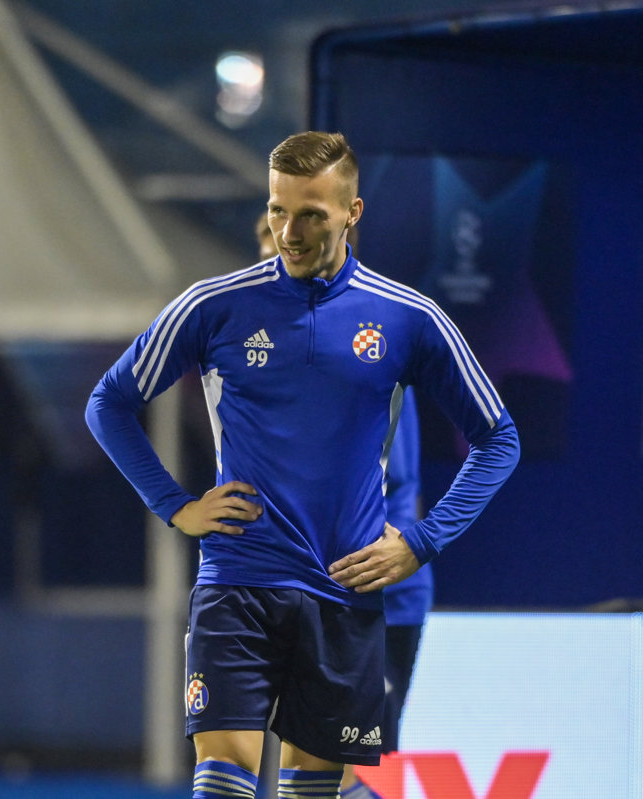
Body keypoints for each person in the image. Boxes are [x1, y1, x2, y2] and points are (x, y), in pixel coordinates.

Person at [86, 132, 519, 799]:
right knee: (222, 783)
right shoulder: (213, 305)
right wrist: (176, 504)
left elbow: (500, 437)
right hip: (238, 580)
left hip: (342, 593)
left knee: (312, 793)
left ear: (354, 213)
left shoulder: (408, 318)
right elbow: (109, 403)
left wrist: (423, 541)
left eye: (312, 213)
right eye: (278, 210)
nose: (289, 231)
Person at [257, 210, 434, 799]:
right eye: (267, 253)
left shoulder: (370, 345)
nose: (277, 262)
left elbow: (400, 482)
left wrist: (395, 555)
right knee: (303, 760)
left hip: (373, 595)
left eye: (285, 251)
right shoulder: (260, 357)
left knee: (359, 766)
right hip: (293, 588)